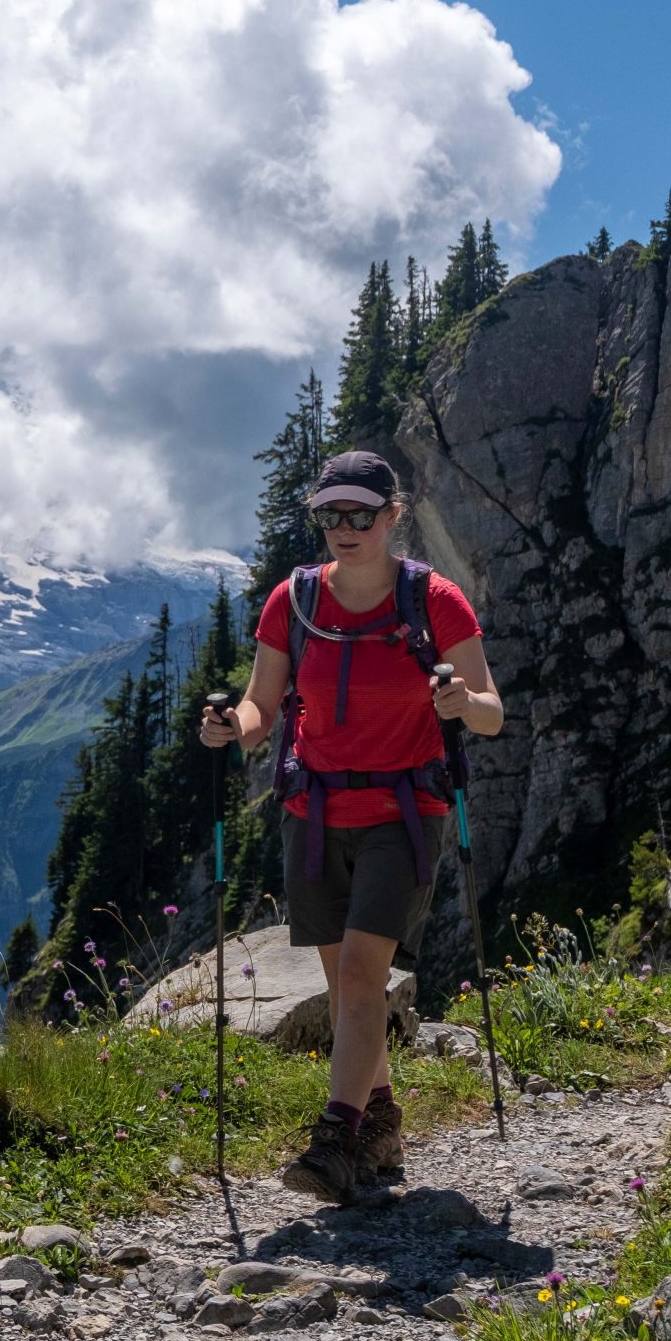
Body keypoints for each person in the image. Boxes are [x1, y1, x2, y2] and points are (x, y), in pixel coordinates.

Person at [199, 450, 504, 1203]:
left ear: (392, 516)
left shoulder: (435, 601)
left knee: (366, 973)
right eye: (330, 514)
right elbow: (261, 707)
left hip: (404, 814)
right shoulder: (294, 601)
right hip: (314, 809)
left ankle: (335, 1138)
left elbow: (493, 711)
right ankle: (382, 1120)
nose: (343, 528)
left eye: (360, 514)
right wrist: (228, 725)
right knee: (345, 988)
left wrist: (462, 702)